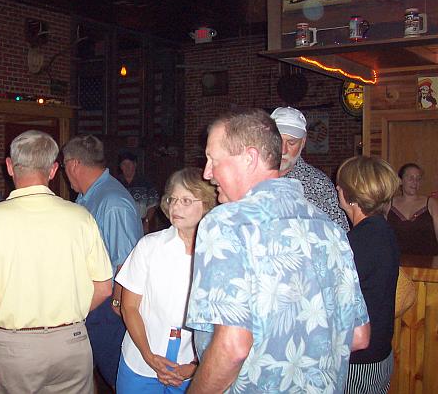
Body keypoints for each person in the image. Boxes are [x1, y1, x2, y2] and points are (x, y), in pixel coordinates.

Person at [185, 109, 370, 393]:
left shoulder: (227, 222)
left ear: (249, 158)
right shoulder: (330, 228)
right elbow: (359, 335)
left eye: (213, 160)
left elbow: (233, 347)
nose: (207, 173)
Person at [0, 130, 113, 394]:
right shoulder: (80, 217)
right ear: (52, 170)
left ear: (9, 167)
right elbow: (104, 287)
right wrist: (69, 315)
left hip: (15, 350)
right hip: (72, 345)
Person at [116, 167, 217, 393]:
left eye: (186, 200)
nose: (175, 206)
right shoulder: (149, 246)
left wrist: (194, 367)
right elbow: (129, 307)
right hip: (140, 360)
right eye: (172, 199)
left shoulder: (219, 254)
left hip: (194, 367)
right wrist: (149, 356)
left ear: (208, 205)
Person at [62, 135, 144, 389]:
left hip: (109, 307)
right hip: (96, 303)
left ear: (74, 165)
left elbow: (128, 265)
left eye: (64, 166)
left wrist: (117, 309)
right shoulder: (89, 197)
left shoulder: (112, 203)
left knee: (117, 377)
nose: (64, 173)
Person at [336, 156, 400, 393]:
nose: (336, 188)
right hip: (380, 352)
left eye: (341, 185)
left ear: (351, 196)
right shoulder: (382, 230)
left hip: (360, 360)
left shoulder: (359, 241)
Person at [271, 106, 349, 231]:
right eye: (278, 141)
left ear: (303, 142)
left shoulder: (319, 186)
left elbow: (340, 235)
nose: (283, 150)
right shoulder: (250, 178)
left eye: (291, 143)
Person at [388, 163, 438, 256]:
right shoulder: (388, 204)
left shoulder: (431, 203)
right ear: (400, 181)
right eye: (410, 178)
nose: (415, 182)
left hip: (427, 265)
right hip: (395, 264)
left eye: (418, 179)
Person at [117, 151, 160, 233]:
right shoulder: (116, 184)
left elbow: (153, 205)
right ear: (120, 166)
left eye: (129, 164)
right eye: (124, 164)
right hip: (121, 224)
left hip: (141, 223)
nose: (127, 167)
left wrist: (146, 222)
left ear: (135, 165)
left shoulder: (146, 183)